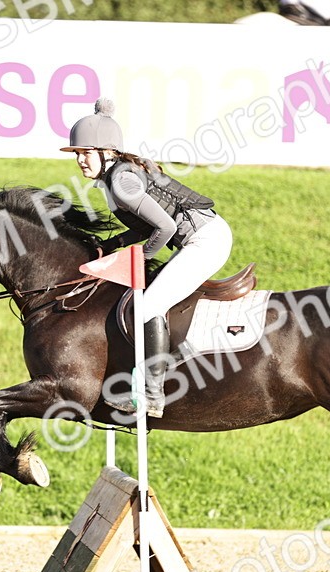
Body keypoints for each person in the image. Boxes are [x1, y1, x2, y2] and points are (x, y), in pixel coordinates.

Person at [61, 99, 233, 418]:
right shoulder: (113, 178)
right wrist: (111, 244)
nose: (80, 160)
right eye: (77, 154)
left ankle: (151, 394)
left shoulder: (121, 182)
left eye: (85, 153)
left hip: (207, 240)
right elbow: (145, 227)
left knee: (147, 306)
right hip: (199, 238)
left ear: (107, 152)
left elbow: (165, 227)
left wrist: (141, 258)